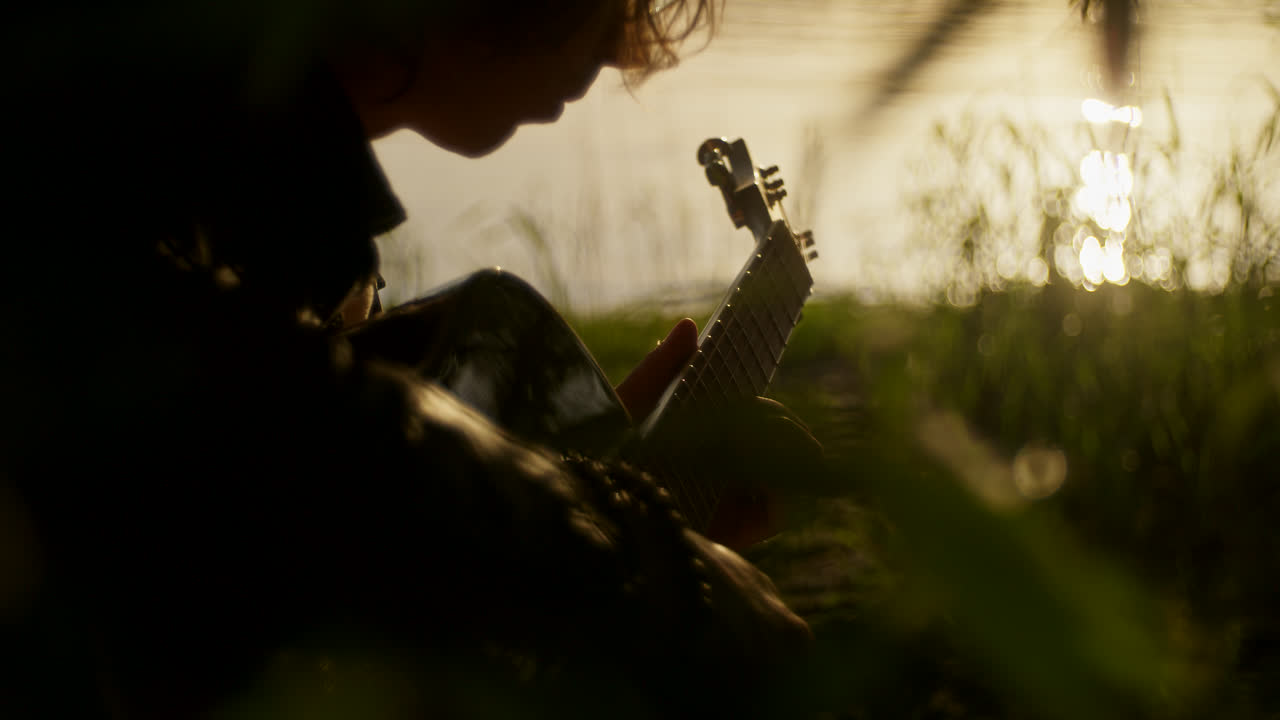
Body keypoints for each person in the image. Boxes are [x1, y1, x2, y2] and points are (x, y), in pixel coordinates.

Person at [1, 1, 813, 717]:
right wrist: (629, 554)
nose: (621, 50)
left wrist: (603, 469)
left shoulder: (274, 221)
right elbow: (272, 431)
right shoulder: (87, 113)